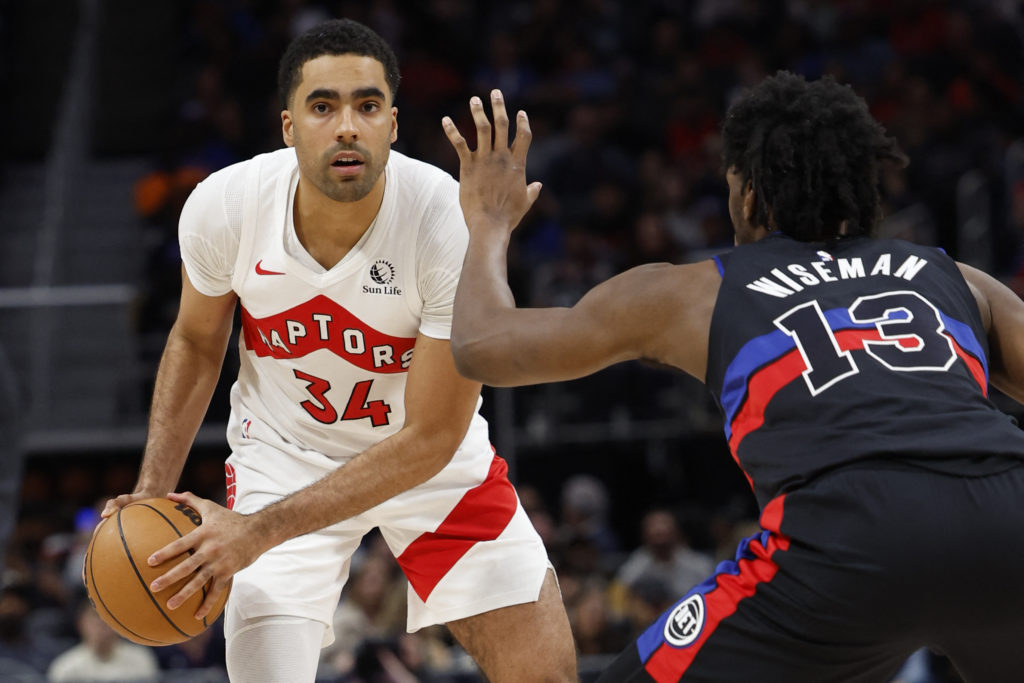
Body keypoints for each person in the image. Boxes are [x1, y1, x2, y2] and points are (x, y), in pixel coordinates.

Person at [442, 74, 1024, 682]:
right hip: (1008, 512)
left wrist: (487, 222)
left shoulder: (697, 291)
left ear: (747, 198)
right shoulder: (955, 276)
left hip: (849, 534)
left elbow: (483, 346)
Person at [96, 18, 576, 683]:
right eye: (323, 106)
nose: (346, 125)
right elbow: (197, 339)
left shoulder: (444, 220)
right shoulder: (225, 207)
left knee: (543, 674)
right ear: (289, 126)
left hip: (428, 466)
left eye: (367, 105)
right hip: (285, 458)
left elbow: (434, 436)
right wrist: (151, 490)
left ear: (393, 124)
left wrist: (256, 532)